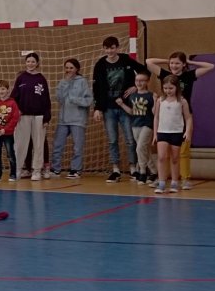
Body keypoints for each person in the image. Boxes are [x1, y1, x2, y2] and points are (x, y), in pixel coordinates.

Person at [146, 51, 215, 190]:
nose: (174, 65)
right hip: (166, 117)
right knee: (163, 154)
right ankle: (162, 179)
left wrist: (191, 62)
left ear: (183, 64)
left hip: (182, 115)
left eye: (177, 63)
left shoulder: (189, 76)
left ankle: (184, 179)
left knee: (181, 152)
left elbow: (210, 66)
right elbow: (149, 62)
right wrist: (167, 60)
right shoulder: (165, 75)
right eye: (172, 63)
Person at [92, 36, 148, 183]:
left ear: (117, 48)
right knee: (112, 140)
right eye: (107, 48)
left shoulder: (125, 60)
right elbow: (96, 88)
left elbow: (144, 71)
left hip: (126, 106)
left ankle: (133, 168)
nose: (110, 51)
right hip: (108, 108)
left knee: (130, 139)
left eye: (112, 48)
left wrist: (136, 86)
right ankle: (115, 169)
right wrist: (97, 108)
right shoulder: (100, 64)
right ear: (104, 49)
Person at [51, 58, 93, 179]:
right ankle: (55, 169)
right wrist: (65, 84)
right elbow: (59, 98)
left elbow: (89, 100)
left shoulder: (82, 82)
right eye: (67, 68)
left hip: (78, 119)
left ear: (77, 69)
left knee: (77, 146)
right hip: (63, 119)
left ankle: (76, 169)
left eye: (71, 68)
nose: (68, 70)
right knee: (58, 144)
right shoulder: (62, 82)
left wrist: (76, 100)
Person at [11, 52, 51, 181]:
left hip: (39, 117)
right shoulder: (21, 78)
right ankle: (18, 169)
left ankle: (37, 170)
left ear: (37, 63)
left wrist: (46, 118)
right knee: (20, 144)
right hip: (23, 117)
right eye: (28, 61)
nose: (30, 64)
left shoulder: (41, 79)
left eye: (33, 61)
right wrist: (17, 111)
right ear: (25, 63)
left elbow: (46, 100)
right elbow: (13, 98)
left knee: (39, 144)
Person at [153, 75, 193, 194]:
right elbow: (156, 117)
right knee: (161, 157)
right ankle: (161, 183)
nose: (168, 91)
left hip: (176, 132)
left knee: (175, 158)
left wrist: (187, 131)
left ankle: (175, 182)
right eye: (165, 88)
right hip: (162, 132)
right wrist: (155, 133)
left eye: (171, 88)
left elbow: (188, 118)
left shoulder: (182, 101)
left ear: (176, 88)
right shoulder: (160, 100)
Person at [116, 72, 157, 185]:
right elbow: (132, 112)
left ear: (147, 82)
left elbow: (155, 112)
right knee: (144, 149)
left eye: (142, 80)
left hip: (147, 124)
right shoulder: (132, 96)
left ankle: (142, 172)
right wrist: (122, 104)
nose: (139, 83)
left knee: (139, 148)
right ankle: (154, 172)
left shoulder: (151, 95)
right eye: (137, 80)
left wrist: (155, 101)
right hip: (135, 125)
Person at [0, 79, 20, 182]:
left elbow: (15, 118)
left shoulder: (12, 103)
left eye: (3, 89)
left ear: (8, 90)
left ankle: (13, 174)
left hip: (8, 134)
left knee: (10, 154)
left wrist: (5, 130)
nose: (1, 91)